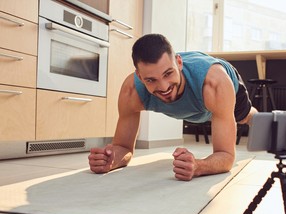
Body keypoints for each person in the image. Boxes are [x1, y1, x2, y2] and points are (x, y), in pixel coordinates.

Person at [88, 34, 257, 181]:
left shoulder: (215, 83)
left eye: (168, 73)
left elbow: (226, 157)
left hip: (219, 91)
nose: (163, 87)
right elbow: (123, 147)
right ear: (139, 76)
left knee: (243, 117)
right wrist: (110, 160)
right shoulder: (131, 91)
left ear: (179, 63)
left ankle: (258, 117)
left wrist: (199, 166)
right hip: (199, 101)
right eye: (151, 80)